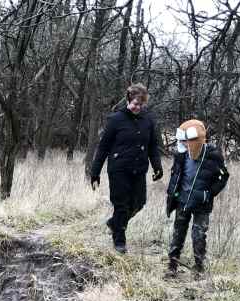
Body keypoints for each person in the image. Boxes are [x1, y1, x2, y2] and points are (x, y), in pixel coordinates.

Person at [89, 83, 163, 254]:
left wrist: (157, 166)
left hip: (139, 169)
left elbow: (152, 146)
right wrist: (95, 172)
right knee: (121, 205)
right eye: (135, 104)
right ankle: (119, 240)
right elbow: (103, 147)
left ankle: (114, 223)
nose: (138, 107)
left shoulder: (148, 120)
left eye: (141, 104)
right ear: (129, 100)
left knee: (139, 203)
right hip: (119, 169)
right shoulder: (115, 119)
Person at [165, 119, 229, 278]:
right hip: (183, 201)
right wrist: (174, 194)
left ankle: (199, 266)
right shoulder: (181, 156)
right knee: (178, 233)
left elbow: (223, 177)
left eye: (185, 141)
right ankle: (172, 265)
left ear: (194, 140)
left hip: (202, 204)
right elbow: (175, 176)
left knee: (199, 235)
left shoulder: (213, 156)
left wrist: (208, 194)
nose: (183, 144)